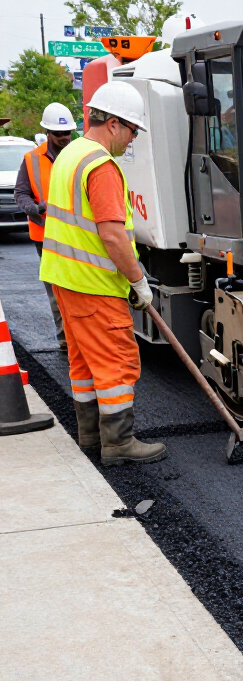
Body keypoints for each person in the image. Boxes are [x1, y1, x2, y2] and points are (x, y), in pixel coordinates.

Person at [38, 81, 167, 466]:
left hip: (64, 278)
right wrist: (138, 280)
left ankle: (90, 435)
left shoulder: (71, 153)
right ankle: (118, 443)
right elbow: (111, 234)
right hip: (93, 284)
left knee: (83, 361)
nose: (131, 141)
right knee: (117, 360)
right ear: (113, 123)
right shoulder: (101, 165)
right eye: (131, 131)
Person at [13, 102, 77, 349]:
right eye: (59, 133)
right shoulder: (31, 159)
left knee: (77, 286)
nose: (64, 138)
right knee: (55, 290)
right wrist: (35, 208)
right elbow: (21, 193)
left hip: (76, 235)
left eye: (67, 133)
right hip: (45, 234)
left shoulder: (79, 157)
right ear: (48, 133)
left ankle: (79, 335)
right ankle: (64, 338)